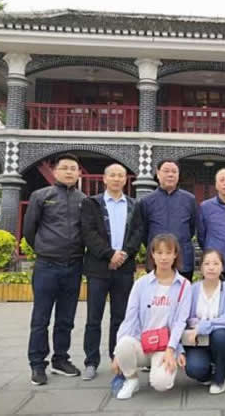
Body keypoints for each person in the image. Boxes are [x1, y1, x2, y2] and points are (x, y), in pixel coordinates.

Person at [23, 153, 85, 386]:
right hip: (47, 266)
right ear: (56, 171)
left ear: (78, 173)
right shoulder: (41, 196)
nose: (69, 172)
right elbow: (29, 230)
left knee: (66, 318)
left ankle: (61, 359)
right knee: (41, 318)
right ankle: (37, 364)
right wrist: (44, 249)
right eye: (65, 168)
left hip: (74, 265)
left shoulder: (83, 200)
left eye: (73, 168)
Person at [80, 163, 144, 381]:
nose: (117, 179)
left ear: (126, 180)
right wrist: (109, 254)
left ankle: (117, 357)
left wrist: (124, 254)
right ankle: (91, 361)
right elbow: (88, 233)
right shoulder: (92, 203)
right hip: (99, 268)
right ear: (105, 179)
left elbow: (138, 232)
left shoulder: (134, 205)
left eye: (121, 176)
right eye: (113, 175)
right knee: (93, 317)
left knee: (120, 316)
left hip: (124, 268)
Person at [112, 234, 192, 399]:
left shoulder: (184, 285)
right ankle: (131, 380)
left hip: (164, 347)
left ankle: (158, 368)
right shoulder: (141, 284)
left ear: (175, 255)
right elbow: (130, 318)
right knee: (123, 345)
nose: (164, 257)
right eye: (159, 252)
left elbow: (180, 322)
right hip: (142, 343)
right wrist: (116, 354)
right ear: (152, 255)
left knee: (161, 383)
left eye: (168, 252)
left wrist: (171, 350)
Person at [183, 249, 225, 394]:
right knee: (194, 369)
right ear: (201, 267)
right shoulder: (192, 289)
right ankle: (208, 373)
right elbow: (186, 318)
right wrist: (206, 324)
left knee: (220, 334)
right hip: (198, 341)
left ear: (222, 267)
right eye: (207, 263)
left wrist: (202, 325)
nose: (211, 267)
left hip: (223, 342)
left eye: (216, 263)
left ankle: (220, 378)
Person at [140, 159, 197, 282]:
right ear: (158, 174)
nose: (170, 174)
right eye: (166, 171)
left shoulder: (189, 200)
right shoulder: (146, 201)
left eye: (174, 171)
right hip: (156, 261)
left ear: (178, 175)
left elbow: (191, 229)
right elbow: (143, 232)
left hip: (183, 260)